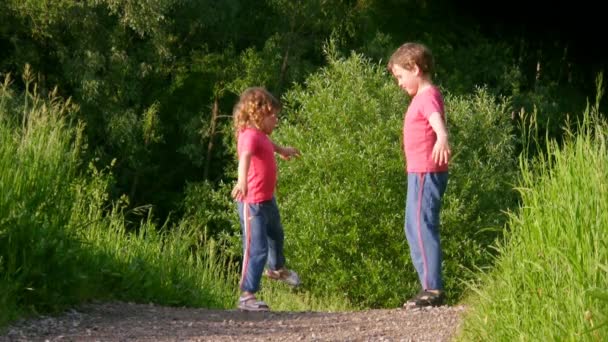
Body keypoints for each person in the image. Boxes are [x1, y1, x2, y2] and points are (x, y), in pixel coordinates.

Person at [387, 42, 451, 309]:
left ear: (415, 68)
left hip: (426, 171)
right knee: (412, 226)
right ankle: (427, 284)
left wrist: (442, 135)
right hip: (417, 172)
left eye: (401, 76)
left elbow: (435, 117)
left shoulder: (427, 96)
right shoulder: (419, 98)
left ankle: (433, 288)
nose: (399, 83)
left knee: (422, 225)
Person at [231, 86, 301, 312]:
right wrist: (242, 181)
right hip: (252, 203)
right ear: (258, 115)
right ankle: (247, 295)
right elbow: (245, 157)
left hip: (266, 200)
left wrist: (283, 150)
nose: (277, 121)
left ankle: (276, 269)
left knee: (276, 235)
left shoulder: (259, 135)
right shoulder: (249, 136)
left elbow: (268, 146)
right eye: (274, 116)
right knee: (256, 247)